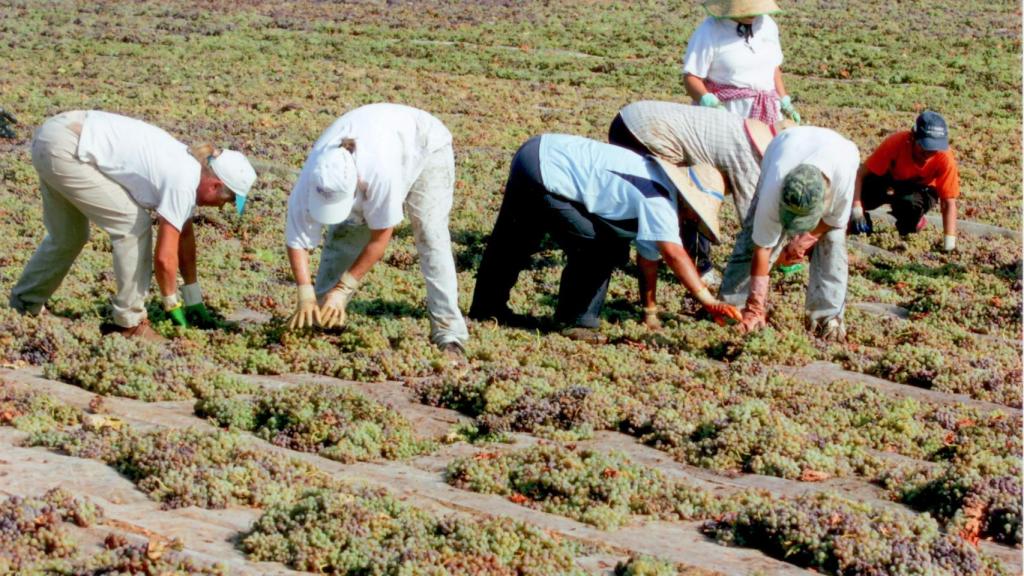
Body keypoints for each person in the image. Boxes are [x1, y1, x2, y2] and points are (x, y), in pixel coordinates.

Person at [9, 110, 256, 341]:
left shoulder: (190, 169)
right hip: (67, 147)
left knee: (68, 236)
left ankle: (24, 306)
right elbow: (164, 258)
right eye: (228, 200)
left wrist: (193, 299)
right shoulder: (183, 181)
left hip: (56, 136)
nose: (222, 207)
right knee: (133, 225)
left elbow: (184, 240)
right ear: (214, 185)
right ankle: (130, 323)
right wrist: (172, 304)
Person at [469, 134, 741, 341]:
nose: (693, 220)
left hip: (536, 152)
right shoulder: (660, 198)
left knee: (514, 239)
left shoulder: (657, 184)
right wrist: (708, 301)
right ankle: (576, 321)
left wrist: (650, 313)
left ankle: (486, 310)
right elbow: (674, 253)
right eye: (696, 213)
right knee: (600, 247)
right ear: (688, 199)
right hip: (546, 169)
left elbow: (648, 260)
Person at [284, 103, 468, 357]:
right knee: (345, 230)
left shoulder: (380, 174)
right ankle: (323, 315)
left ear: (357, 185)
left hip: (424, 144)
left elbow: (380, 238)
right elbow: (296, 239)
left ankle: (449, 331)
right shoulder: (314, 175)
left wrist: (345, 288)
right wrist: (305, 292)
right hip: (378, 135)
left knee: (430, 234)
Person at [608, 100, 791, 296]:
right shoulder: (748, 156)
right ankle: (681, 265)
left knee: (683, 199)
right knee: (674, 201)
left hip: (630, 118)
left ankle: (627, 254)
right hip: (642, 132)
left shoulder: (742, 131)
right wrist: (776, 255)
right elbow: (753, 223)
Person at [719, 126, 859, 340]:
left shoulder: (843, 179)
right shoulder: (774, 186)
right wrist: (756, 306)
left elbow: (833, 221)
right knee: (751, 239)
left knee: (832, 243)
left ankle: (827, 318)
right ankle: (734, 307)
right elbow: (762, 247)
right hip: (785, 144)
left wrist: (805, 240)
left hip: (837, 149)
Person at [849, 111, 959, 251]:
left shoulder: (945, 157)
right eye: (924, 147)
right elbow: (860, 175)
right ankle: (863, 225)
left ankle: (914, 221)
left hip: (920, 190)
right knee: (850, 198)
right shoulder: (896, 143)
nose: (928, 154)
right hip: (890, 181)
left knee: (909, 208)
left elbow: (948, 203)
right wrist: (857, 208)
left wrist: (949, 244)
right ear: (913, 137)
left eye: (933, 150)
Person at [682, 0, 800, 124]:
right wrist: (710, 103)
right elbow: (691, 77)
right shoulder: (709, 30)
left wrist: (785, 101)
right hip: (727, 115)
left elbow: (773, 69)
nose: (753, 13)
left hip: (768, 113)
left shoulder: (767, 25)